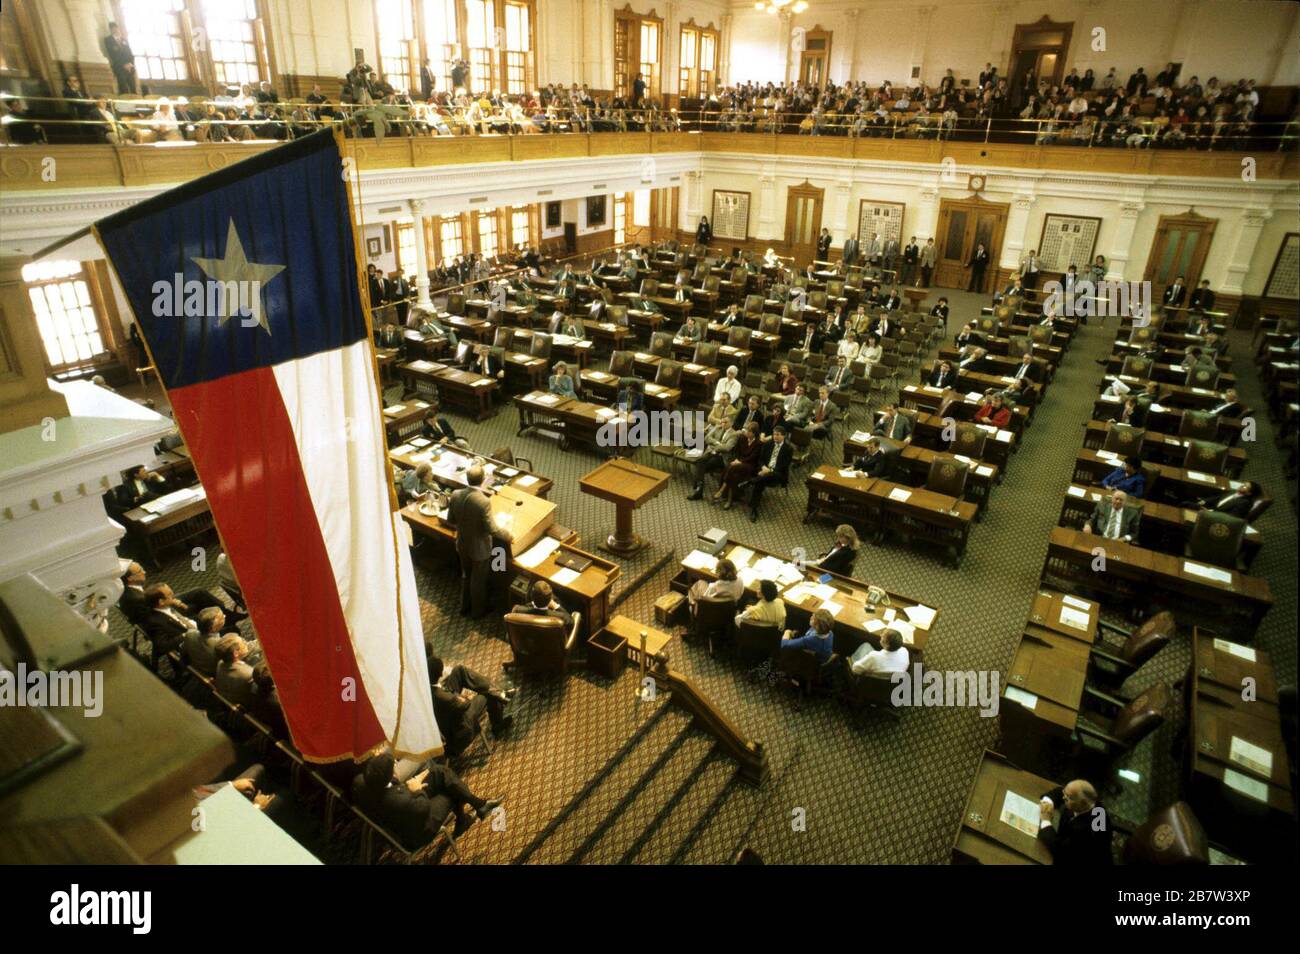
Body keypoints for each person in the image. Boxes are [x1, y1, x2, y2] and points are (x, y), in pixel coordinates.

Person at [353, 750, 503, 848]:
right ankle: (466, 817)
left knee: (440, 772)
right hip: (418, 831)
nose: (396, 766)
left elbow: (392, 787)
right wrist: (417, 789)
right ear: (388, 775)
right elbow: (422, 808)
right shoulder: (400, 801)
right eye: (394, 767)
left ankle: (478, 806)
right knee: (450, 790)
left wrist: (409, 785)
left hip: (399, 811)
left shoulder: (360, 781)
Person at [447, 464, 510, 618]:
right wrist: (508, 535)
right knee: (478, 581)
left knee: (466, 575)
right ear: (483, 480)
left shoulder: (455, 494)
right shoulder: (483, 501)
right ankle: (477, 612)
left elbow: (450, 520)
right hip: (479, 549)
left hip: (462, 544)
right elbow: (492, 529)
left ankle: (464, 607)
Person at [427, 650, 515, 752]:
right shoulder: (444, 697)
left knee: (459, 670)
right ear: (441, 674)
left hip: (447, 714)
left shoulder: (427, 689)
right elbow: (465, 704)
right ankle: (498, 723)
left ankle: (500, 693)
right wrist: (454, 695)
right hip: (460, 727)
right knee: (487, 694)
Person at [1038, 779, 1113, 865]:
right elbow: (1060, 792)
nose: (1063, 797)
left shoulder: (1086, 832)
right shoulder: (1086, 801)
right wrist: (1047, 803)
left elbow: (1060, 851)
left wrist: (1045, 820)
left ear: (1083, 803)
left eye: (1067, 798)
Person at [742, 425, 792, 522]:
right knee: (760, 483)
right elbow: (761, 459)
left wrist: (769, 471)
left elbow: (784, 466)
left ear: (784, 436)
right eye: (774, 434)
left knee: (766, 476)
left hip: (778, 474)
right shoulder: (768, 444)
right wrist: (764, 467)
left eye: (777, 435)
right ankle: (754, 509)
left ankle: (750, 482)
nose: (775, 437)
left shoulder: (788, 449)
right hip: (764, 472)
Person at [686, 417, 739, 500]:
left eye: (725, 422)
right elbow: (707, 438)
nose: (723, 424)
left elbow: (727, 448)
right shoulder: (718, 428)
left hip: (722, 458)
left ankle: (698, 490)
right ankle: (699, 491)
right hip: (711, 453)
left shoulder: (734, 434)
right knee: (700, 462)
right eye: (722, 422)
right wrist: (716, 442)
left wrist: (715, 447)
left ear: (731, 423)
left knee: (700, 464)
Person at [717, 419, 762, 508]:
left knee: (731, 468)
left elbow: (753, 457)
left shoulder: (758, 443)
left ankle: (722, 491)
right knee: (730, 469)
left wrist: (740, 461)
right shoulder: (742, 439)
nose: (747, 433)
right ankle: (728, 497)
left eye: (749, 431)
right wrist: (737, 460)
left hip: (750, 465)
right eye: (747, 430)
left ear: (754, 433)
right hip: (739, 461)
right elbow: (737, 452)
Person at [214, 634, 258, 708]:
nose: (245, 643)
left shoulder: (220, 663)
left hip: (224, 698)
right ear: (235, 653)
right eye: (243, 642)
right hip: (240, 705)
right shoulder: (249, 673)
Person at [105, 23, 137, 94]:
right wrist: (123, 64)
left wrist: (130, 63)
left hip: (129, 67)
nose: (116, 30)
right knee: (123, 87)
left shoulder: (124, 40)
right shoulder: (108, 40)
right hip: (119, 67)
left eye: (116, 28)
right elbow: (113, 55)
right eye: (113, 28)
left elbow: (129, 53)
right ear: (110, 30)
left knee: (133, 87)